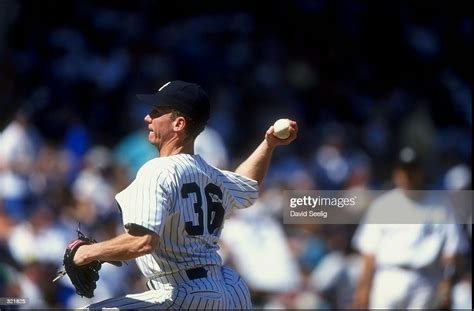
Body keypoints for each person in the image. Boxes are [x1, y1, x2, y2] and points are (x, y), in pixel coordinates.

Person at [70, 80, 298, 309]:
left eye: (157, 112)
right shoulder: (210, 174)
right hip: (230, 293)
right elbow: (248, 184)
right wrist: (268, 145)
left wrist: (88, 252)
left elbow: (143, 242)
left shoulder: (157, 170)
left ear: (178, 124)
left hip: (183, 292)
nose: (147, 118)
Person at [351, 147, 469, 309]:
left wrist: (448, 283)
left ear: (421, 171)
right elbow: (369, 253)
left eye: (412, 170)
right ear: (395, 173)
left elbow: (453, 251)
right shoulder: (383, 205)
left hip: (425, 280)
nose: (407, 176)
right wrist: (363, 288)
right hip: (388, 278)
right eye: (402, 171)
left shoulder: (441, 205)